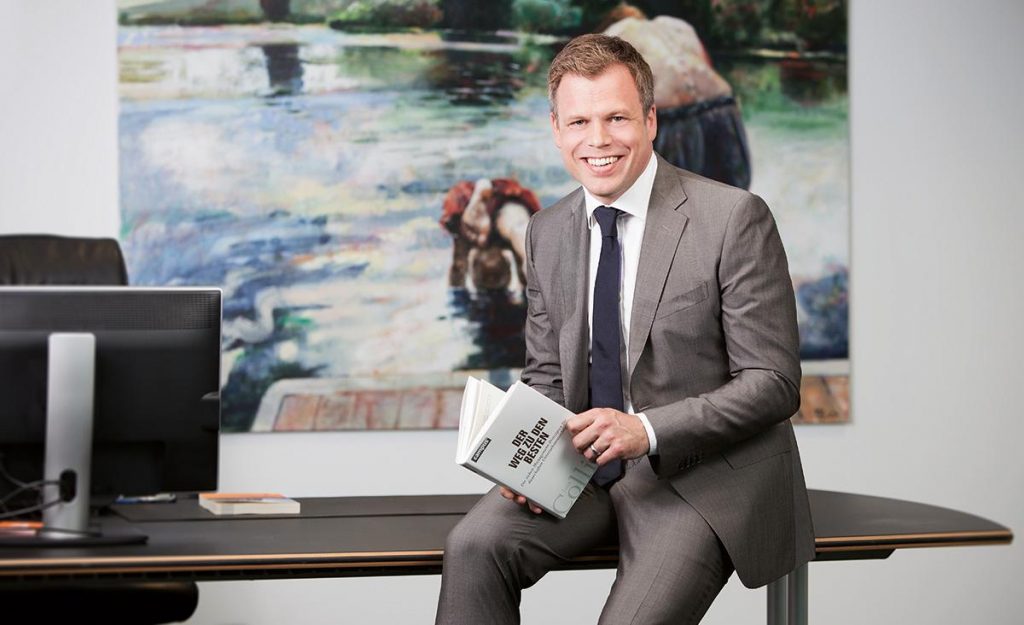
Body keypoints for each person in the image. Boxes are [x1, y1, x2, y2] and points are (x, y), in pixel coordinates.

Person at [435, 34, 813, 625]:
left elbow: (773, 382)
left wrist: (645, 430)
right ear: (556, 129)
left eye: (616, 118)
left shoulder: (732, 218)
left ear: (650, 120)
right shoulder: (546, 231)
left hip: (698, 476)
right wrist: (521, 460)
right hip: (582, 471)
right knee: (472, 546)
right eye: (579, 121)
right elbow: (546, 376)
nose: (598, 139)